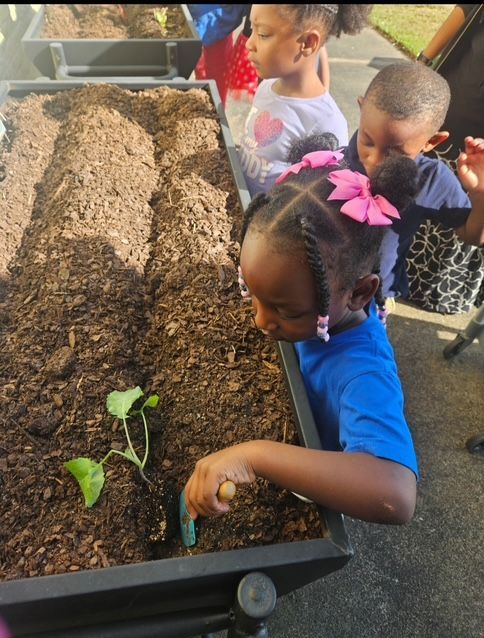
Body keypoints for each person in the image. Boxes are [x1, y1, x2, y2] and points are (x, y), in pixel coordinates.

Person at [184, 137, 420, 526]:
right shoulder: (310, 301)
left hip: (322, 471)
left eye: (284, 310)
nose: (260, 320)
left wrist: (255, 455)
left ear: (360, 293)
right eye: (252, 294)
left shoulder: (364, 374)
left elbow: (396, 494)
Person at [341, 61, 484, 306]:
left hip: (374, 297)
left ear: (432, 142)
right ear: (361, 108)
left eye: (395, 153)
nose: (374, 162)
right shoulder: (337, 159)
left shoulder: (431, 179)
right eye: (367, 141)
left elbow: (473, 235)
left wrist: (481, 193)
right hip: (320, 281)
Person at [238, 4, 372, 196]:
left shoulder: (327, 123)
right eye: (252, 30)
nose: (249, 44)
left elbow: (319, 199)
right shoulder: (265, 88)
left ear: (308, 42)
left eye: (264, 34)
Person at [406, 4, 484, 314]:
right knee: (430, 184)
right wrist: (424, 61)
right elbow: (465, 10)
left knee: (475, 198)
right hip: (459, 105)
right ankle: (400, 272)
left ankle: (441, 291)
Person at [188, 4, 249, 107]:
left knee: (217, 68)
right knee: (201, 60)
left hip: (218, 16)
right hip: (209, 14)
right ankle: (206, 96)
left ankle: (216, 106)